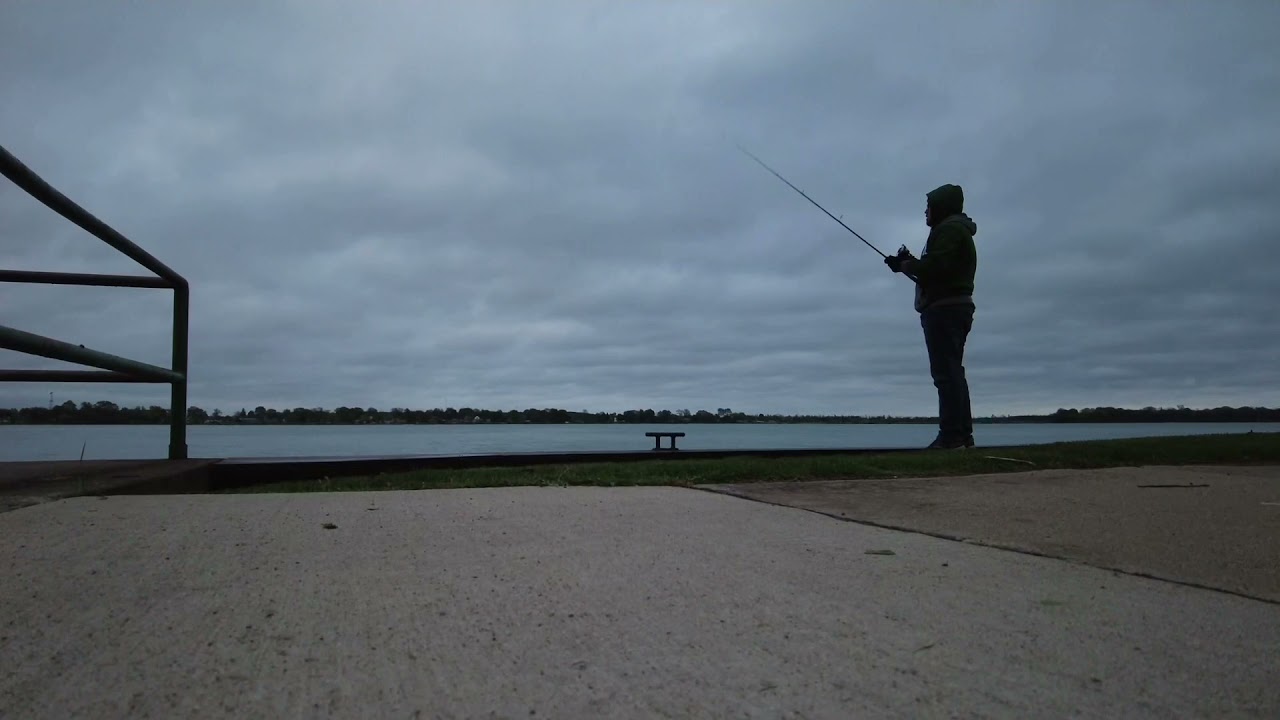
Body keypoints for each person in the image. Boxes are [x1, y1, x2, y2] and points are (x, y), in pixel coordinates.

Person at [884, 183, 978, 449]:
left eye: (929, 207)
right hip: (951, 307)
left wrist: (906, 264)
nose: (925, 212)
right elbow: (937, 269)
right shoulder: (951, 231)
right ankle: (961, 436)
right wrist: (906, 264)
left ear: (941, 208)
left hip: (945, 310)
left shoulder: (949, 230)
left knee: (946, 374)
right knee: (952, 372)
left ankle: (951, 437)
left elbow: (935, 268)